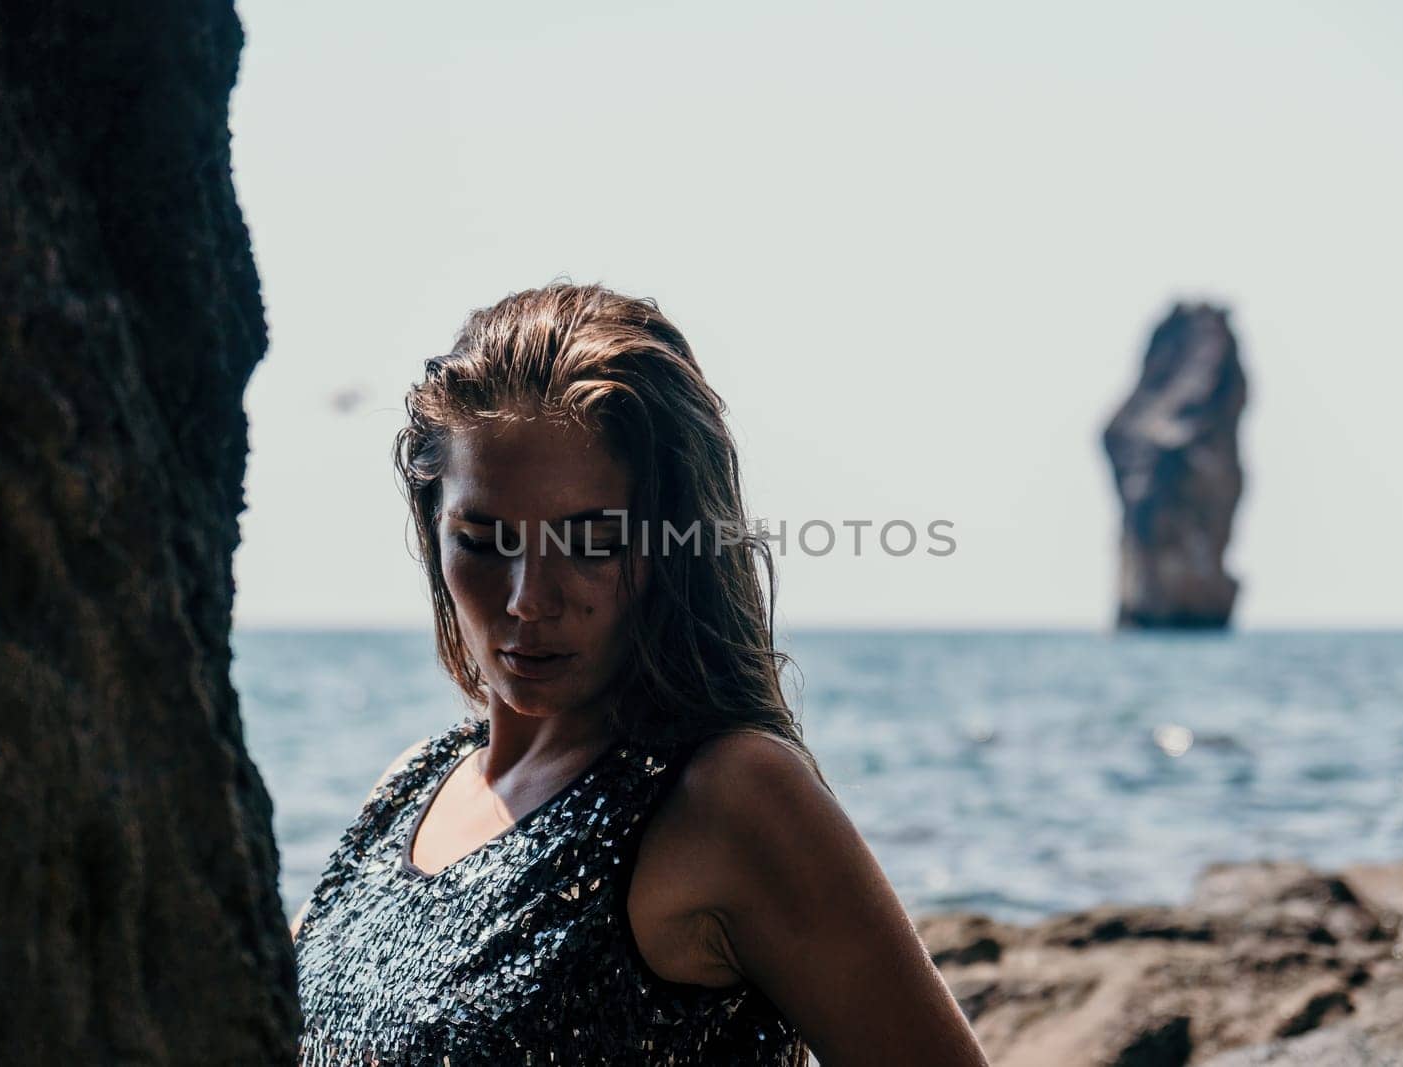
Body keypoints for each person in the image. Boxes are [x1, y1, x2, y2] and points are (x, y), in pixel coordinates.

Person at [289, 282, 989, 1066]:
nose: (527, 600)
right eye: (483, 540)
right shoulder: (404, 790)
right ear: (434, 533)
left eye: (589, 542)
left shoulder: (731, 795)